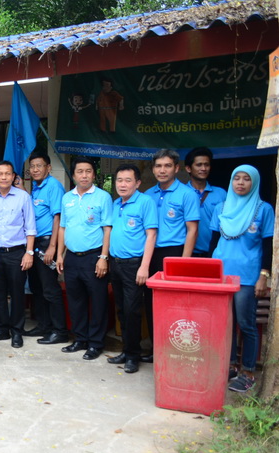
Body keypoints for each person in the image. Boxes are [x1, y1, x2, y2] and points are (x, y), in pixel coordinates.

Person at [209, 165, 273, 393]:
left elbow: (268, 245)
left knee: (246, 324)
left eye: (247, 179)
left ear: (254, 183)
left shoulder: (263, 209)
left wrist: (263, 276)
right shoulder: (221, 207)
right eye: (237, 178)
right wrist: (209, 273)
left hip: (247, 276)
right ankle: (230, 367)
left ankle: (248, 372)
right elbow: (213, 242)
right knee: (225, 324)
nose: (241, 183)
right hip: (221, 275)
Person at [143, 149, 199, 362]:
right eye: (158, 166)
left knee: (174, 304)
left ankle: (173, 352)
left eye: (167, 166)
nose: (162, 170)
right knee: (151, 302)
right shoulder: (148, 195)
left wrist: (183, 262)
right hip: (150, 254)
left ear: (176, 168)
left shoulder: (187, 194)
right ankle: (156, 350)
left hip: (174, 253)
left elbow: (192, 230)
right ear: (153, 169)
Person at [57, 156, 112, 360]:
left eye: (88, 171)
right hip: (71, 257)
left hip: (94, 257)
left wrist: (104, 257)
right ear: (73, 175)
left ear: (94, 175)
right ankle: (80, 339)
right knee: (76, 301)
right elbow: (63, 228)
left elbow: (108, 229)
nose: (84, 175)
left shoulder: (103, 197)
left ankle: (96, 343)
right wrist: (60, 255)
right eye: (80, 171)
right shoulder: (67, 198)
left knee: (98, 302)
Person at [0, 160, 36, 349]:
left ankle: (17, 331)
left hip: (17, 253)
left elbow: (30, 228)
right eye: (0, 174)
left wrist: (29, 253)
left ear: (13, 177)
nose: (4, 177)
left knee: (17, 293)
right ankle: (1, 329)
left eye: (8, 173)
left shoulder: (23, 197)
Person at [107, 164, 158, 374]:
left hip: (134, 265)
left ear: (137, 183)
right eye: (119, 180)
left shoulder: (145, 202)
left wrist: (144, 267)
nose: (122, 184)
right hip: (116, 263)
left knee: (132, 311)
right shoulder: (116, 203)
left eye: (128, 180)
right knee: (121, 310)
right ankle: (126, 350)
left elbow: (151, 235)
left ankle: (133, 356)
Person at [25, 152, 67, 345]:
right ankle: (44, 325)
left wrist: (53, 247)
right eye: (32, 166)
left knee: (50, 288)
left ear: (48, 168)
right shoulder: (36, 187)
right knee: (37, 287)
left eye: (39, 165)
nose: (35, 169)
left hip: (47, 243)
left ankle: (59, 331)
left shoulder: (53, 186)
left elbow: (58, 218)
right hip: (34, 244)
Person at [184, 147, 227, 257]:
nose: (203, 168)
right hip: (187, 253)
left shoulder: (221, 193)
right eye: (199, 165)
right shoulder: (181, 193)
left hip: (215, 252)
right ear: (188, 168)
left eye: (206, 165)